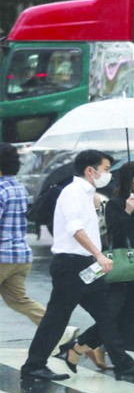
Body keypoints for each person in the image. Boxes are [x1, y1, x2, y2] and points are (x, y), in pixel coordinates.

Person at [20, 150, 134, 381]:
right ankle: (34, 365)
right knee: (57, 317)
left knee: (105, 313)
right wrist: (99, 255)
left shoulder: (87, 193)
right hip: (71, 264)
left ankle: (123, 364)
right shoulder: (74, 192)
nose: (107, 174)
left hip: (86, 264)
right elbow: (75, 228)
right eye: (105, 169)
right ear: (90, 170)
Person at [69, 162, 134, 376]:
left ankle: (81, 347)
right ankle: (81, 347)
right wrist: (128, 211)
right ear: (128, 180)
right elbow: (116, 234)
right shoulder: (115, 203)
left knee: (132, 315)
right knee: (113, 315)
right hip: (122, 267)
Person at [1, 143, 78, 348]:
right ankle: (62, 330)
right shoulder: (18, 188)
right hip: (20, 257)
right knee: (19, 300)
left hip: (2, 256)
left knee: (19, 300)